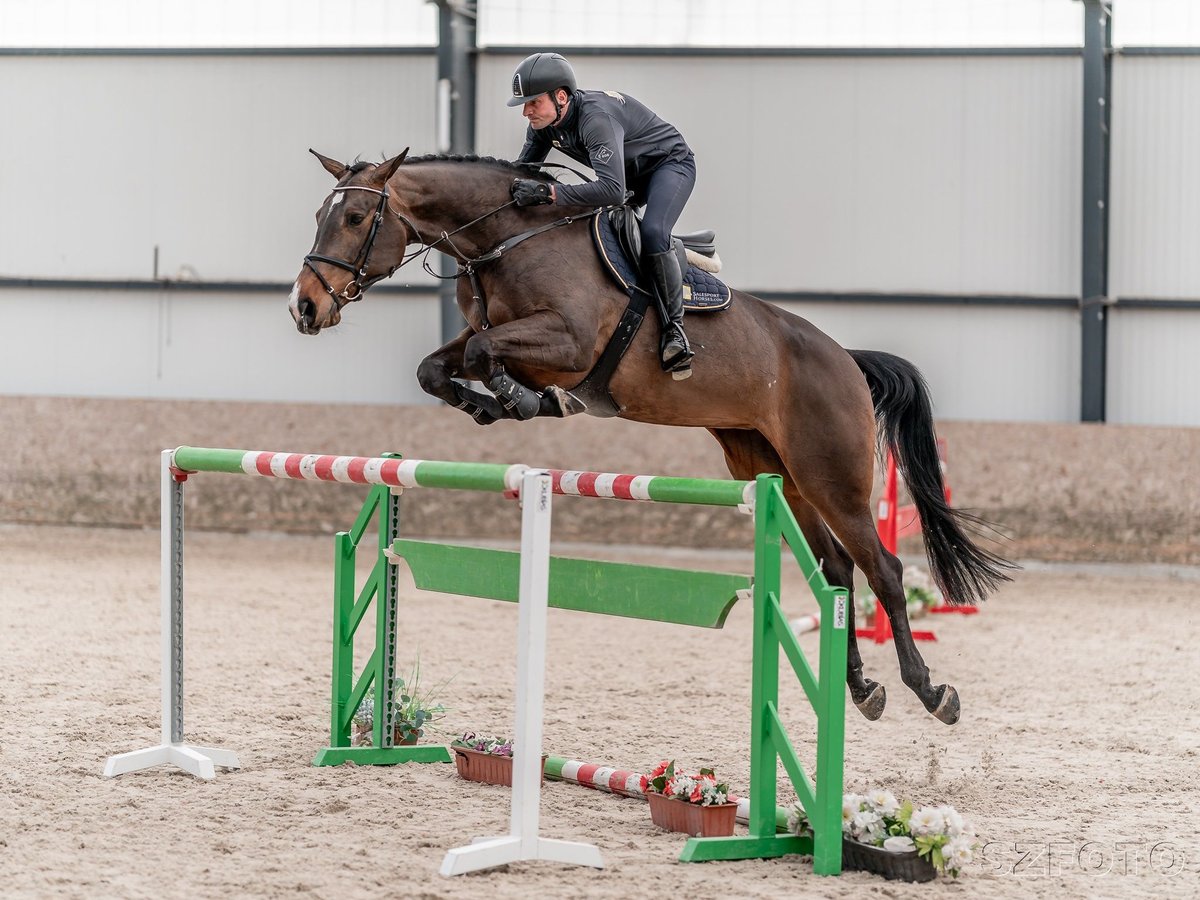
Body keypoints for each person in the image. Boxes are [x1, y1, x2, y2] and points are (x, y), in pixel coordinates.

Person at [506, 52, 696, 377]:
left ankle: (674, 332)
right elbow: (522, 175)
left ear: (560, 96)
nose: (526, 111)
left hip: (668, 167)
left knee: (653, 233)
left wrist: (551, 194)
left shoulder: (595, 118)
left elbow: (610, 190)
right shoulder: (542, 127)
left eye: (533, 103)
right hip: (628, 178)